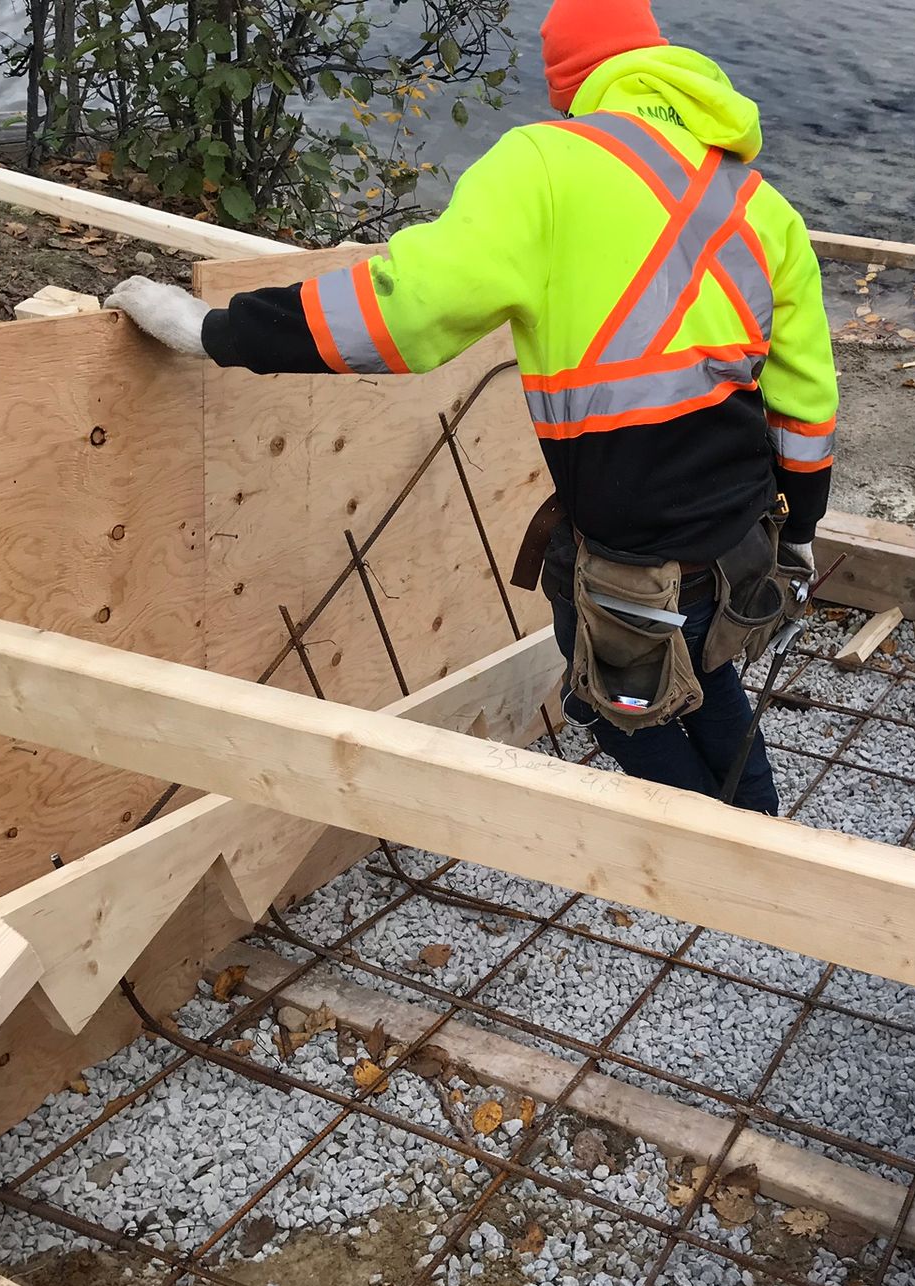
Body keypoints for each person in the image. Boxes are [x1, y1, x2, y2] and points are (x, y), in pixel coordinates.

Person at [105, 0, 838, 816]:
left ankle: (729, 871)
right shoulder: (758, 201)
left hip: (635, 551)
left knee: (618, 704)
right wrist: (800, 529)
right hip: (739, 537)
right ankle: (763, 830)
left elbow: (404, 312)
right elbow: (806, 400)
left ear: (570, 88)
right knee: (704, 666)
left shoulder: (544, 163)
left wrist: (215, 331)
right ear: (657, 61)